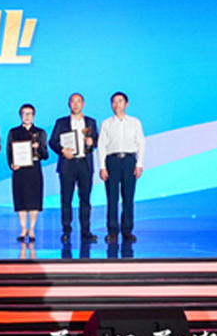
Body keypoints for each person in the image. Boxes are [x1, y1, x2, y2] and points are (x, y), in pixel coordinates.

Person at [49, 93, 99, 244]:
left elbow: (97, 140)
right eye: (73, 102)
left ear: (83, 104)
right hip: (68, 164)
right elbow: (53, 142)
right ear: (69, 104)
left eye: (78, 101)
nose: (76, 104)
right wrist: (62, 150)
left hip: (85, 164)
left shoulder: (90, 122)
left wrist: (92, 142)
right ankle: (66, 230)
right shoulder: (61, 122)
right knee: (66, 199)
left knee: (85, 199)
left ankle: (86, 231)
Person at [97, 91, 145, 244]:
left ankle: (127, 230)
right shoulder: (106, 123)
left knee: (128, 197)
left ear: (126, 104)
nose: (116, 104)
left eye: (120, 101)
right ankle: (112, 231)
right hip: (112, 161)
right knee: (112, 198)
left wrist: (139, 164)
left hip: (129, 161)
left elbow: (141, 143)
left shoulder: (135, 122)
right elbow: (101, 146)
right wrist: (102, 167)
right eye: (114, 101)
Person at [7, 103, 48, 242]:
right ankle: (23, 228)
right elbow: (9, 151)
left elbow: (45, 154)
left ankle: (32, 229)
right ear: (20, 116)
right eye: (24, 113)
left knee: (34, 200)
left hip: (34, 169)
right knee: (21, 199)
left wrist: (38, 147)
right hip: (20, 171)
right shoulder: (14, 132)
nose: (27, 116)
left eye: (29, 113)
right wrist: (12, 164)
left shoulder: (40, 132)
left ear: (34, 116)